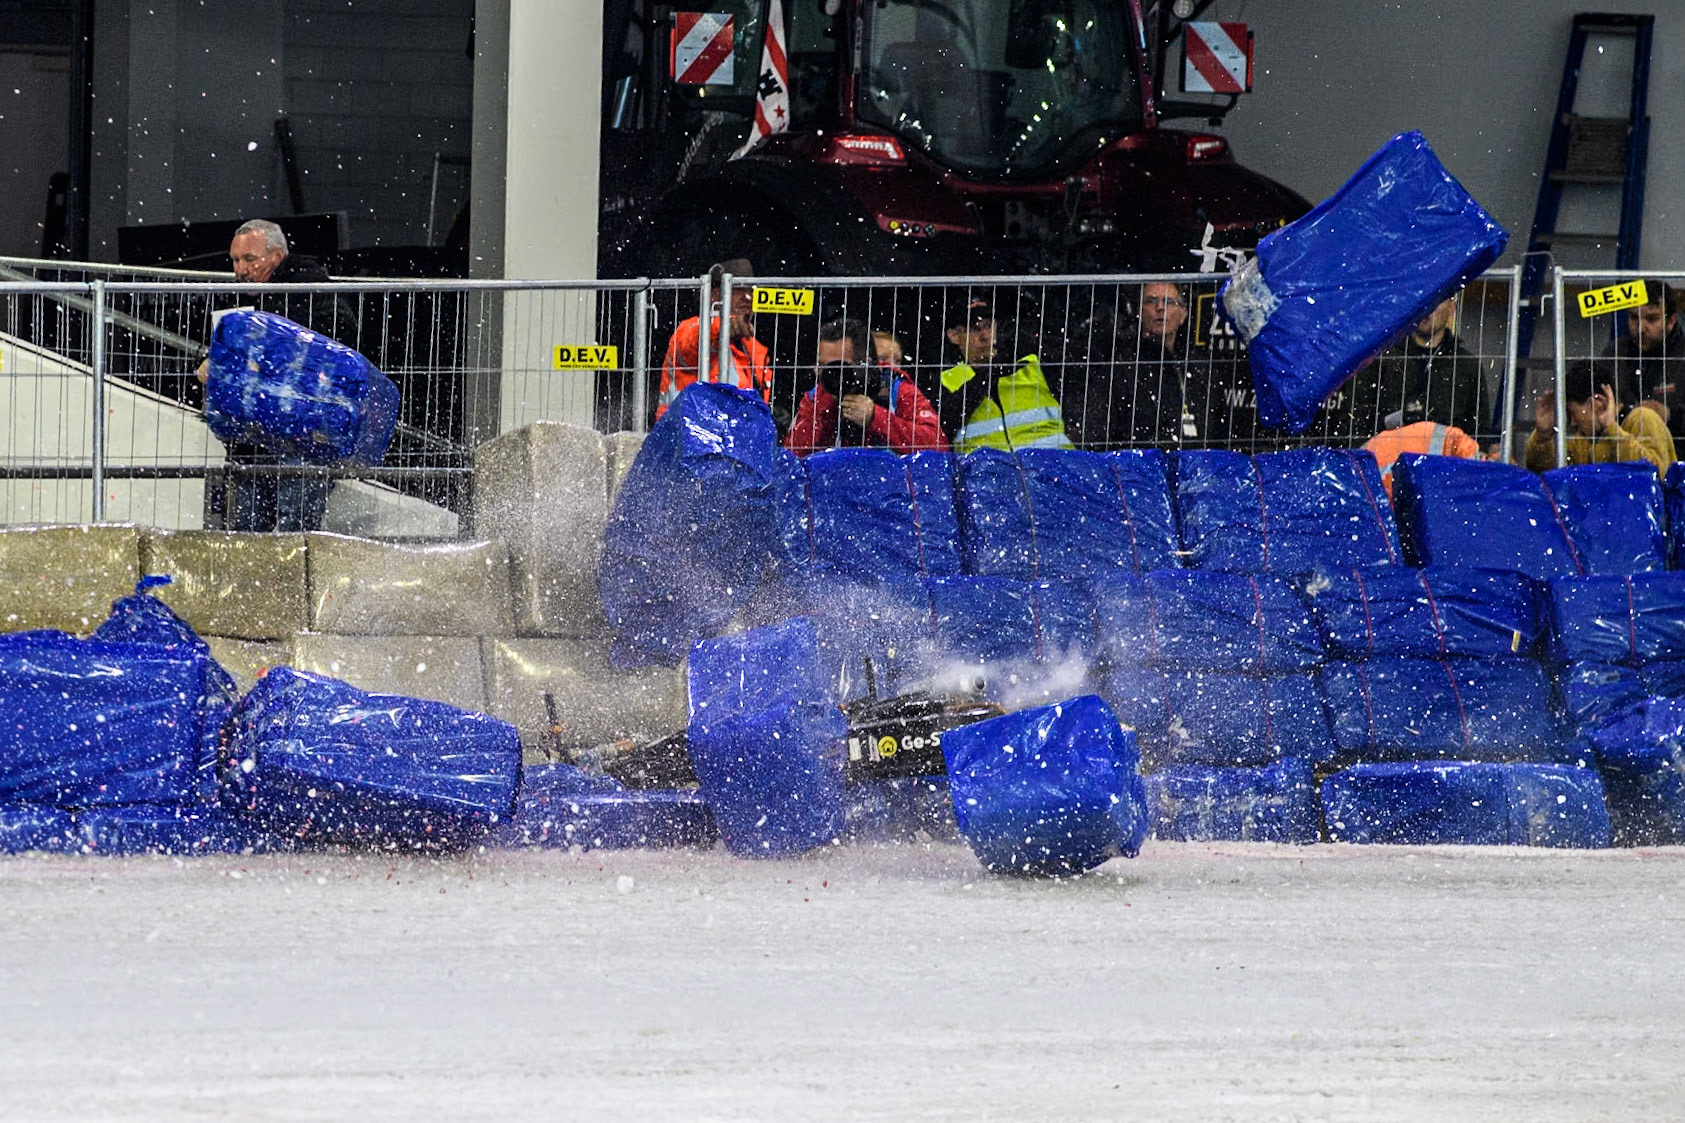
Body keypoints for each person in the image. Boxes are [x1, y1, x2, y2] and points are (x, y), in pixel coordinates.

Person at [206, 219, 358, 533]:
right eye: (235, 260)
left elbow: (338, 341)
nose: (240, 270)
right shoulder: (239, 297)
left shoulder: (309, 289)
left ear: (276, 257)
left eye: (249, 259)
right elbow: (212, 343)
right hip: (252, 441)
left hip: (301, 439)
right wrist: (206, 361)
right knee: (249, 532)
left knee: (290, 530)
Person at [1316, 296, 1495, 449]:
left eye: (1437, 299)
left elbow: (1479, 432)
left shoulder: (1466, 365)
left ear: (1452, 308)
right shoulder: (1379, 358)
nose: (1428, 307)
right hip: (1386, 469)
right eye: (1424, 299)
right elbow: (1353, 423)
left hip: (1443, 475)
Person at [930, 297, 1074, 454]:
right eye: (975, 329)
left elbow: (1082, 365)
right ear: (953, 336)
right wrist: (992, 371)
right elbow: (948, 422)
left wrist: (1027, 345)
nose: (985, 336)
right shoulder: (946, 381)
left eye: (989, 326)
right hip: (991, 474)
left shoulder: (1032, 363)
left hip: (1055, 467)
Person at [784, 318, 946, 455]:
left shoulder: (896, 389)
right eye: (822, 365)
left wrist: (876, 418)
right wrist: (826, 407)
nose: (829, 373)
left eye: (838, 366)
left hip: (888, 488)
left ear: (864, 363)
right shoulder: (815, 397)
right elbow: (792, 455)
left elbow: (938, 446)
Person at [655, 257, 772, 422]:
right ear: (715, 294)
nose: (747, 296)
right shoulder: (691, 330)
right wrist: (722, 326)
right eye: (737, 288)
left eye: (751, 289)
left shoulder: (753, 348)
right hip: (683, 438)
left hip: (731, 443)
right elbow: (692, 345)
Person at [1524, 360, 1675, 475]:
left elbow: (1658, 475)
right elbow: (1547, 474)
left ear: (1598, 403)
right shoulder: (1582, 442)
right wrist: (1542, 437)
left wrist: (1613, 432)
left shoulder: (1643, 419)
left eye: (1573, 413)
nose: (1572, 422)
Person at [1603, 280, 1685, 442]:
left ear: (1671, 321)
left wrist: (1669, 414)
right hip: (1624, 454)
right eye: (1634, 318)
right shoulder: (1614, 353)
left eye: (1652, 319)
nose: (1641, 328)